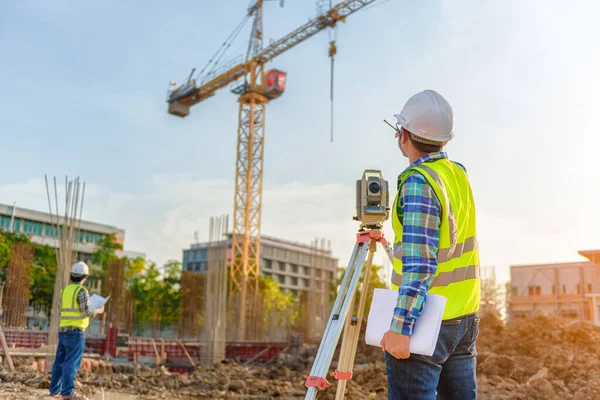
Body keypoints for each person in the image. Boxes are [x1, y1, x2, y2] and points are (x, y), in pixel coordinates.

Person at [380, 90, 480, 400]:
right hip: (464, 317)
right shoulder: (457, 174)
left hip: (427, 322)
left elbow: (421, 264)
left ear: (403, 135)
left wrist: (400, 328)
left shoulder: (419, 180)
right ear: (445, 141)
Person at [49, 261, 104, 400]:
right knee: (71, 362)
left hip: (63, 330)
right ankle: (67, 392)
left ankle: (54, 390)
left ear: (72, 275)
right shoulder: (81, 291)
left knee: (60, 361)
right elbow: (85, 311)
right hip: (76, 332)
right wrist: (97, 310)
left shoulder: (64, 290)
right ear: (84, 277)